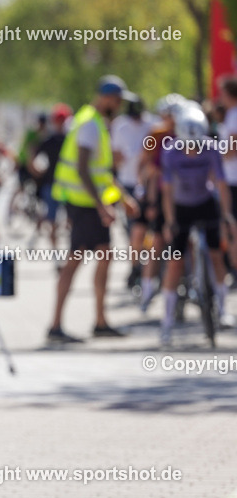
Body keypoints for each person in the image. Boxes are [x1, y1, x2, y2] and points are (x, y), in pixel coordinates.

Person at [47, 75, 138, 342]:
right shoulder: (89, 124)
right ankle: (56, 326)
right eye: (118, 100)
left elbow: (101, 171)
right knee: (75, 261)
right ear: (107, 97)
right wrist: (102, 207)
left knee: (103, 256)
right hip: (84, 205)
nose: (120, 105)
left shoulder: (95, 122)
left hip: (90, 204)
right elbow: (83, 169)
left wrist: (121, 198)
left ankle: (99, 321)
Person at [159, 106, 235, 343]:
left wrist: (227, 215)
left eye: (196, 146)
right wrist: (170, 221)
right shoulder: (170, 152)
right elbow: (167, 190)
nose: (193, 150)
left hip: (204, 202)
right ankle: (167, 321)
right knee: (175, 262)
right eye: (188, 145)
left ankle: (222, 309)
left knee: (215, 254)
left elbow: (221, 184)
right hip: (181, 207)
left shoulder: (211, 149)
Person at [136, 94, 187, 312]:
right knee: (156, 242)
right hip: (161, 192)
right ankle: (147, 288)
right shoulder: (155, 134)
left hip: (185, 194)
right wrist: (149, 200)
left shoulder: (191, 131)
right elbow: (147, 167)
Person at [111, 92, 151, 290]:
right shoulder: (121, 125)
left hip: (145, 183)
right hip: (125, 183)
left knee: (144, 228)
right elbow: (115, 155)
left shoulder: (151, 124)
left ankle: (145, 266)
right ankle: (136, 266)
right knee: (130, 228)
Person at [28, 104, 71, 250]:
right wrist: (36, 172)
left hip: (60, 185)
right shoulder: (65, 139)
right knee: (55, 221)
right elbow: (32, 156)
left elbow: (31, 156)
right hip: (60, 185)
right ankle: (59, 254)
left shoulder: (53, 139)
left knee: (58, 221)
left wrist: (36, 172)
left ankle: (59, 254)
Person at [217, 76, 237, 270]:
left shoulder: (233, 115)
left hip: (232, 179)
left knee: (232, 226)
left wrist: (216, 157)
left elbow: (232, 148)